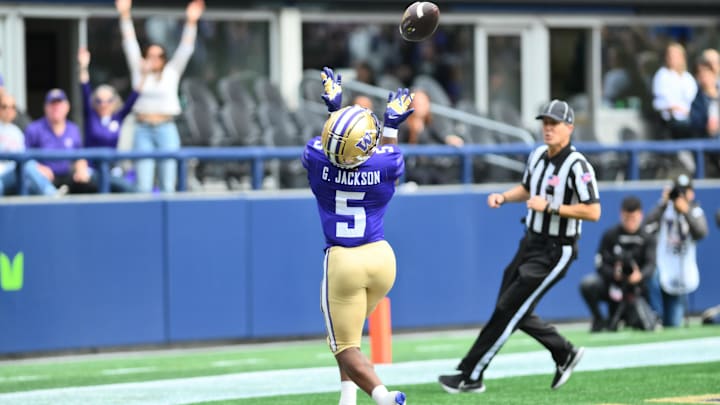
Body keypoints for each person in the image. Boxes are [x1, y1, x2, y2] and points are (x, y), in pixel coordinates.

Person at [439, 99, 601, 394]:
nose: (548, 129)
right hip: (531, 241)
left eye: (554, 124)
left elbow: (593, 211)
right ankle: (563, 352)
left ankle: (471, 374)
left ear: (569, 128)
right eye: (545, 123)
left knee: (509, 308)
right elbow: (528, 188)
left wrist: (551, 206)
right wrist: (504, 196)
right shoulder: (539, 154)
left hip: (557, 249)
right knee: (510, 307)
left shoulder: (578, 165)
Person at [302, 67, 412, 405]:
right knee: (350, 333)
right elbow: (382, 153)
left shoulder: (314, 157)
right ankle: (347, 397)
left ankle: (382, 396)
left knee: (344, 344)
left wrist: (335, 108)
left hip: (343, 260)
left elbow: (335, 146)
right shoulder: (386, 164)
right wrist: (391, 125)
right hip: (381, 259)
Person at [116, 0, 205, 193]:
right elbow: (129, 42)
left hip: (166, 127)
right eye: (150, 55)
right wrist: (125, 15)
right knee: (143, 185)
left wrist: (191, 22)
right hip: (143, 128)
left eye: (158, 56)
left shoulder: (171, 72)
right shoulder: (139, 71)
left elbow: (186, 48)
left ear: (164, 59)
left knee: (167, 182)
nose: (154, 60)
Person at [579, 196, 656, 332]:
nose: (630, 222)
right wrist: (614, 274)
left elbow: (651, 264)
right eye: (627, 218)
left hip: (638, 289)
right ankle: (599, 319)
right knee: (588, 284)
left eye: (634, 218)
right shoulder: (610, 235)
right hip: (612, 285)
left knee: (655, 281)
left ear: (640, 215)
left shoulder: (647, 238)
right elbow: (599, 263)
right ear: (621, 214)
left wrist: (640, 276)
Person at [643, 173, 708, 327]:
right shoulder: (664, 209)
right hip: (662, 266)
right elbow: (646, 227)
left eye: (684, 191)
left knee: (672, 324)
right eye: (678, 192)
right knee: (651, 274)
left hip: (681, 272)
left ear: (691, 193)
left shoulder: (695, 211)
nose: (681, 196)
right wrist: (663, 203)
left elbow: (701, 233)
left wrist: (685, 211)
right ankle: (655, 315)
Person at [78, 47, 144, 193]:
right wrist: (83, 66)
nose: (104, 104)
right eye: (99, 101)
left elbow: (134, 97)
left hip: (112, 169)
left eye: (108, 100)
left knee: (131, 188)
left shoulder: (117, 117)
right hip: (92, 169)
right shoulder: (91, 116)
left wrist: (144, 74)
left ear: (114, 101)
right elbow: (85, 89)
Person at [24, 89, 96, 194]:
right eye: (52, 104)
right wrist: (38, 168)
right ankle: (53, 195)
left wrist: (81, 169)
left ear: (67, 107)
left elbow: (79, 156)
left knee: (91, 177)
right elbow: (25, 159)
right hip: (44, 179)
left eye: (59, 104)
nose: (56, 107)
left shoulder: (73, 129)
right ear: (45, 107)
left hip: (68, 177)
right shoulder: (34, 129)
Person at [399, 89, 464, 185]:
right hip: (413, 170)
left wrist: (450, 139)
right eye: (418, 103)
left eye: (424, 103)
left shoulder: (430, 124)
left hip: (430, 167)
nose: (422, 106)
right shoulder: (404, 125)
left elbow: (441, 137)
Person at [0, 92, 59, 196]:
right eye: (4, 107)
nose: (8, 111)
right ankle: (53, 196)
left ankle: (53, 200)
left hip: (15, 172)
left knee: (30, 182)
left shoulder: (16, 132)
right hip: (2, 174)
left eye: (12, 107)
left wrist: (39, 168)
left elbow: (24, 155)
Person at [652, 42, 698, 140]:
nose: (671, 58)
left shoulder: (688, 77)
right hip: (673, 121)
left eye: (675, 55)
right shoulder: (662, 75)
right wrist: (679, 110)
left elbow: (695, 99)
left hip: (692, 117)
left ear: (682, 57)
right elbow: (659, 103)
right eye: (669, 55)